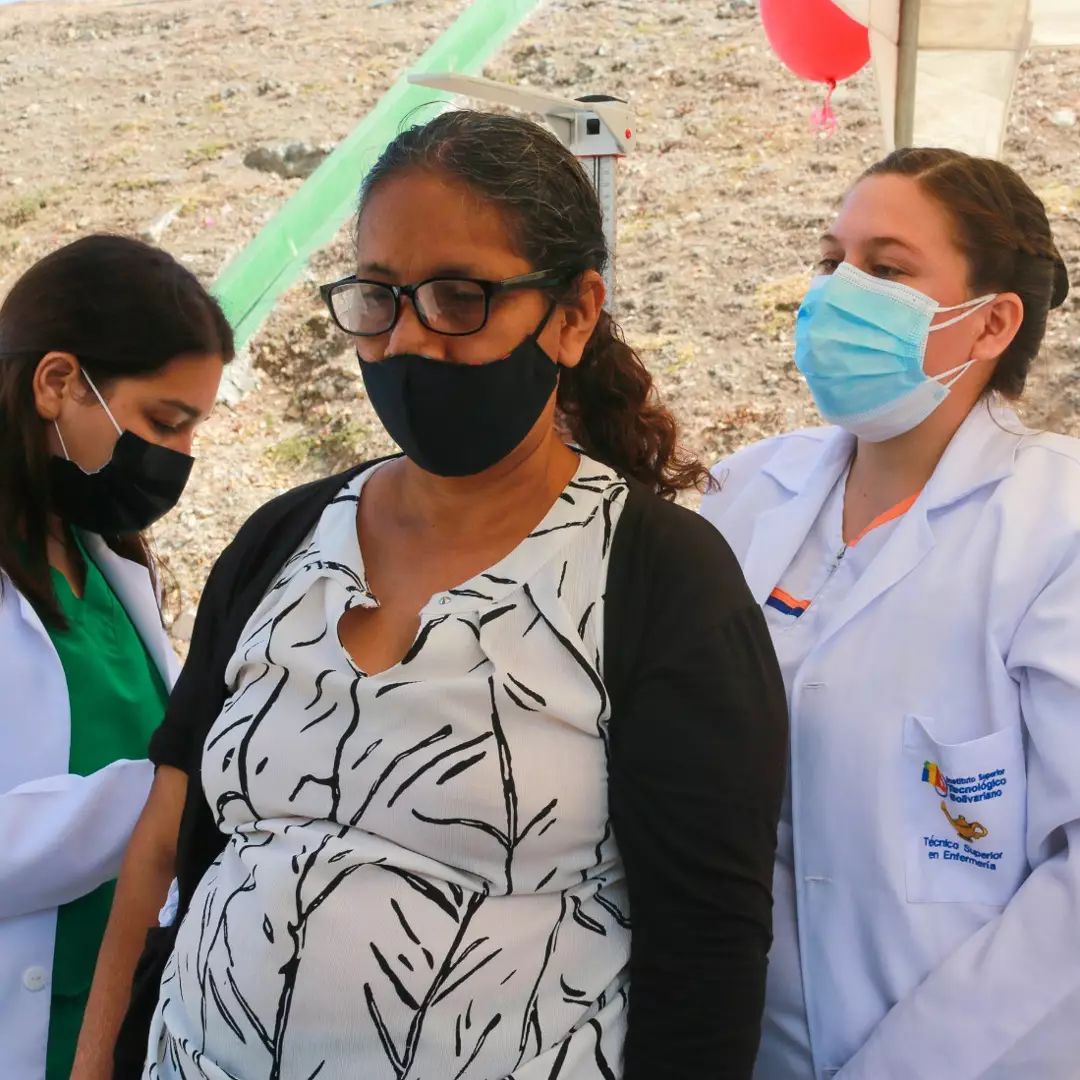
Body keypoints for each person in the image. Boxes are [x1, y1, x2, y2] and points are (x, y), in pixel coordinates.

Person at [83, 110, 788, 1080]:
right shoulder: (281, 544)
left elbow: (706, 964)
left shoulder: (660, 583)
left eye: (461, 297)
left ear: (574, 314)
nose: (410, 339)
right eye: (379, 296)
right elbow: (165, 842)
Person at [700, 147, 1079, 1078]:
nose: (837, 293)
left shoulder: (1056, 528)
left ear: (990, 323)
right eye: (834, 260)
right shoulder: (748, 492)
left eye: (887, 268)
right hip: (724, 1042)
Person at [0, 234, 232, 1080]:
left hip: (114, 1028)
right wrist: (167, 794)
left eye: (192, 428)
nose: (174, 457)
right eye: (163, 422)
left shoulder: (104, 554)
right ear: (58, 382)